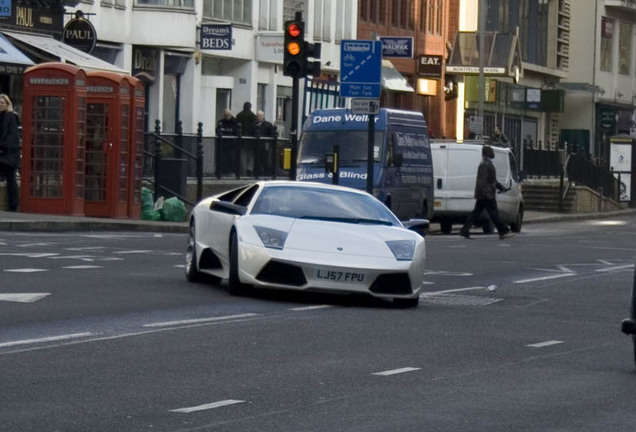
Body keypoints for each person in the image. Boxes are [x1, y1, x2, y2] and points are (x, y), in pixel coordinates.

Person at [459, 145, 513, 240]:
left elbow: (492, 180)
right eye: (491, 151)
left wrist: (501, 187)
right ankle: (503, 231)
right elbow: (482, 181)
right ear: (487, 153)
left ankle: (465, 230)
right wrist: (487, 194)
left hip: (484, 194)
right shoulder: (485, 164)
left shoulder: (486, 163)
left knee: (476, 213)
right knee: (494, 214)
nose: (493, 153)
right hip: (486, 195)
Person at [0, 94, 20, 212]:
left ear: (7, 104)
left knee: (11, 179)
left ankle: (13, 206)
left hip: (9, 154)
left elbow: (12, 136)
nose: (0, 105)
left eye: (2, 103)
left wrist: (2, 147)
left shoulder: (11, 117)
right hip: (3, 153)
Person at [215, 109, 240, 177]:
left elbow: (235, 131)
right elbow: (218, 130)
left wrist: (225, 131)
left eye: (228, 115)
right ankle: (223, 172)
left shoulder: (235, 122)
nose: (227, 117)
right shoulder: (221, 122)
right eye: (226, 115)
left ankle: (231, 172)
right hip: (223, 144)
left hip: (231, 144)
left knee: (231, 159)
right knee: (223, 159)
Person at [252, 111, 278, 175]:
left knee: (265, 160)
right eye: (258, 116)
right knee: (257, 160)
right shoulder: (253, 124)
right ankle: (257, 173)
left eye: (260, 116)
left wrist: (270, 143)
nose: (259, 117)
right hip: (256, 146)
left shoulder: (268, 125)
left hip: (265, 145)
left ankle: (266, 173)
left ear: (263, 116)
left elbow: (272, 134)